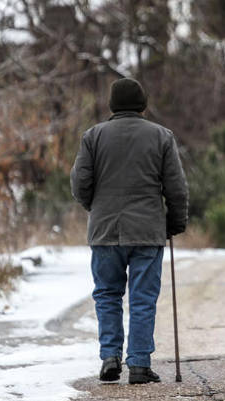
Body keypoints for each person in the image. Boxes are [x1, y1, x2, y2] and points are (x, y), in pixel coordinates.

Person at [70, 78, 189, 384]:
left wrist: (95, 208)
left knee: (107, 294)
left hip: (104, 229)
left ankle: (110, 357)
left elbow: (79, 182)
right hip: (147, 231)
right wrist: (175, 221)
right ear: (142, 104)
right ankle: (138, 364)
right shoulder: (161, 136)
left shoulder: (93, 136)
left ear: (112, 105)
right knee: (142, 297)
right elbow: (176, 187)